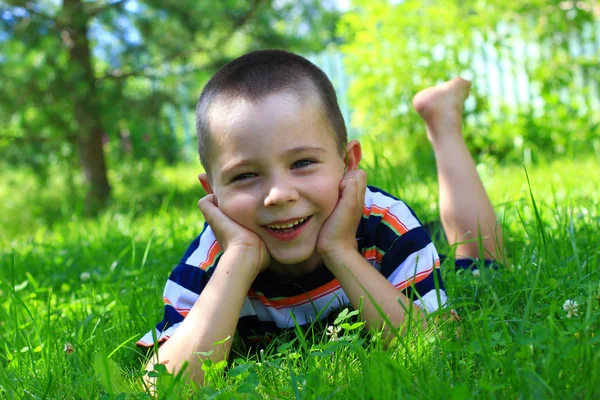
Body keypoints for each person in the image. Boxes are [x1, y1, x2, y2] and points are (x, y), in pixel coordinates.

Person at [137, 50, 503, 385]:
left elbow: (438, 345)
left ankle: (442, 120)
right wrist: (240, 258)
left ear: (348, 163)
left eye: (302, 163)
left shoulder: (385, 223)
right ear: (213, 192)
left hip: (372, 242)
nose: (279, 194)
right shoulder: (211, 258)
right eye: (245, 175)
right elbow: (166, 386)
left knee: (480, 267)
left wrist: (341, 251)